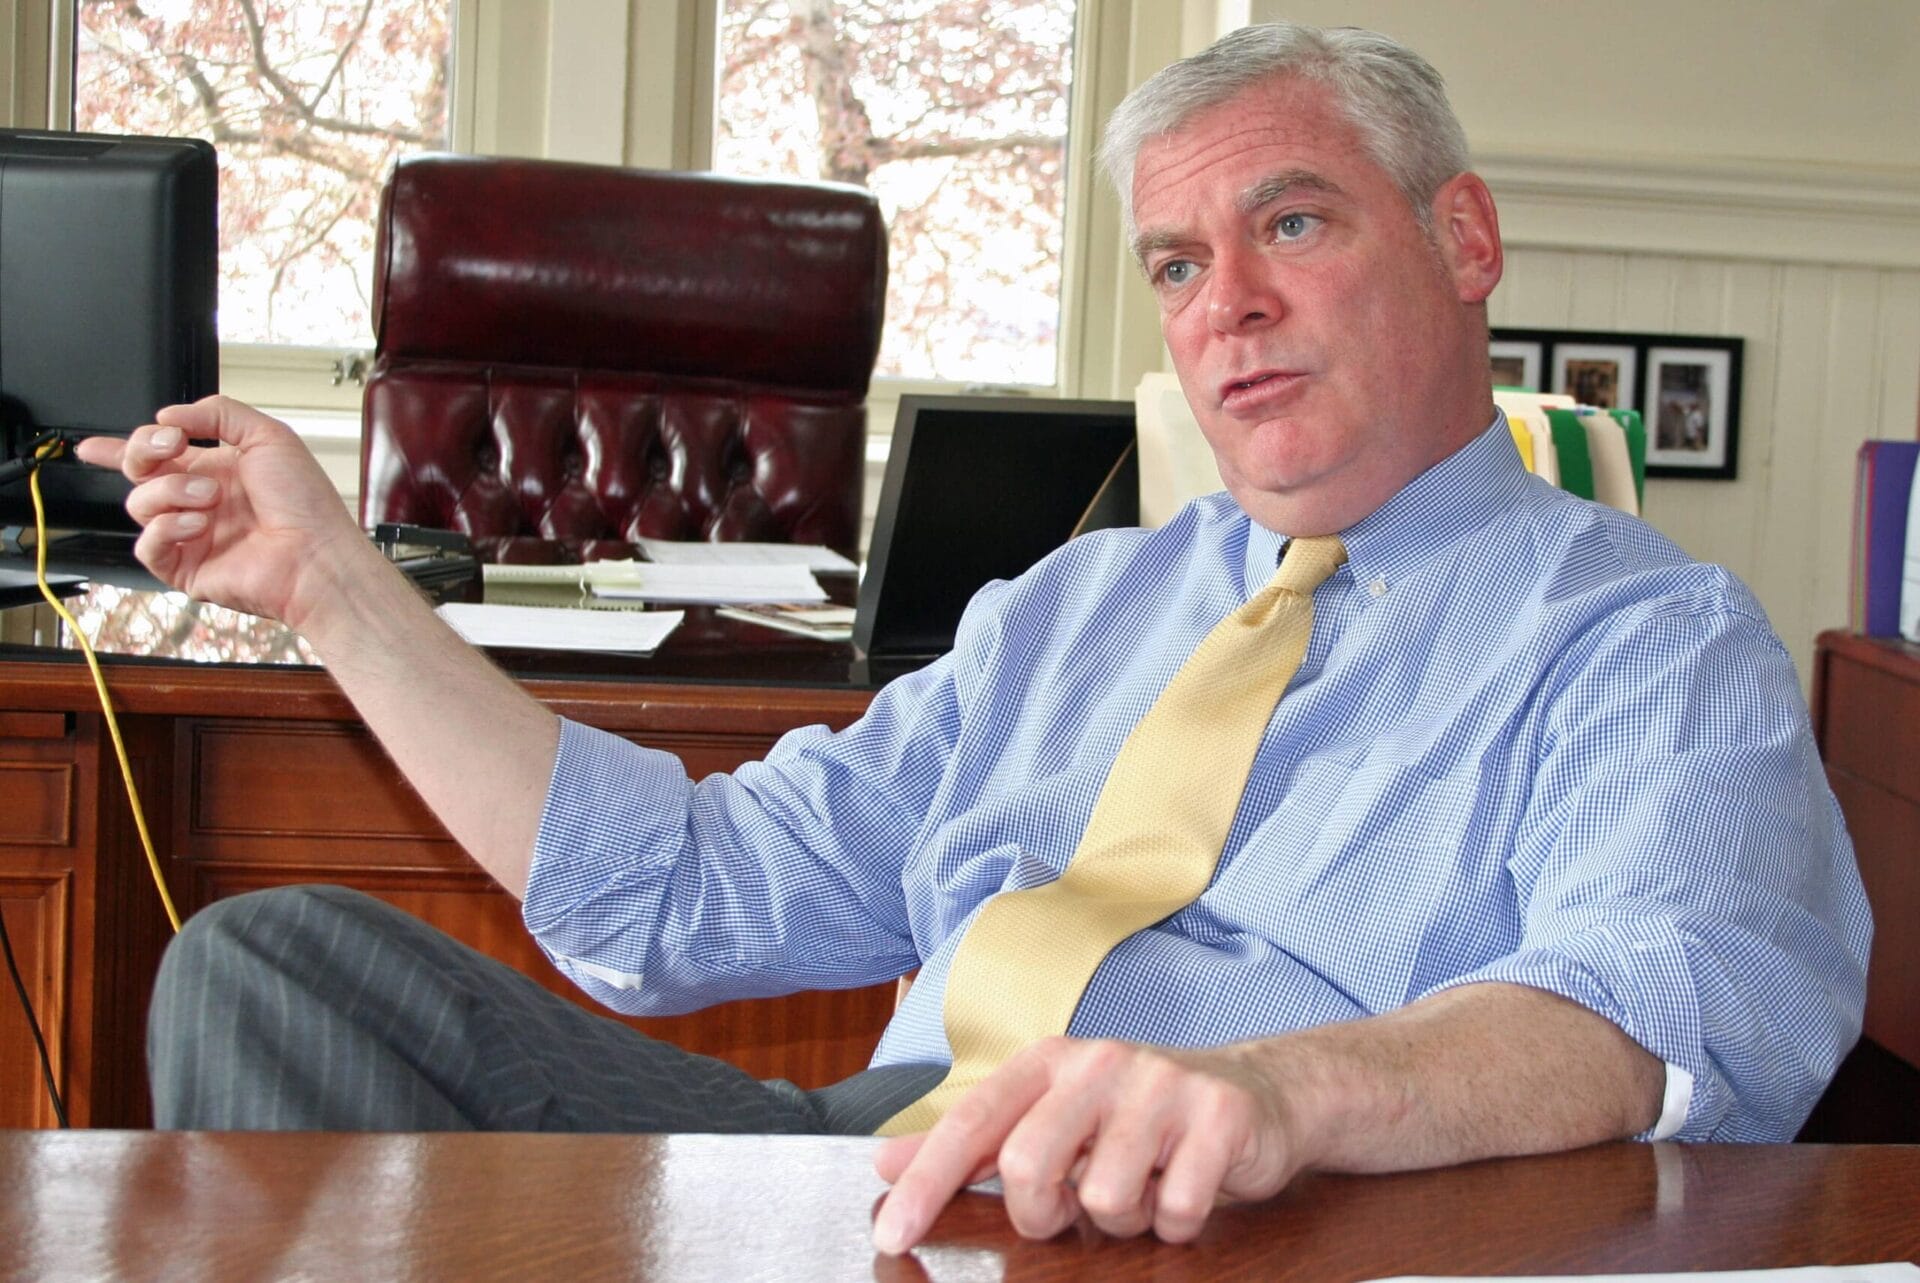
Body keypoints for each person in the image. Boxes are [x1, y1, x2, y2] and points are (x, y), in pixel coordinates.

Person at [78, 22, 1868, 1257]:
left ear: (1461, 238)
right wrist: (335, 590)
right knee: (267, 968)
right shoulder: (1081, 606)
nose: (1228, 305)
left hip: (1246, 1226)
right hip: (874, 1175)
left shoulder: (1643, 639)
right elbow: (676, 897)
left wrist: (1270, 1100)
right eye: (1176, 265)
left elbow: (1662, 1007)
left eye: (1292, 223)